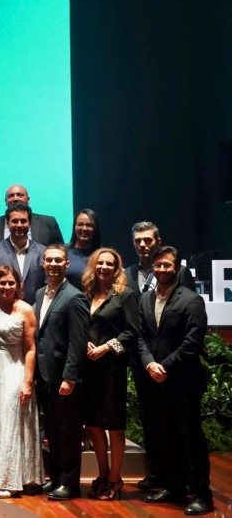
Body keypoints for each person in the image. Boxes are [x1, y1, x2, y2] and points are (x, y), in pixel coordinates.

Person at [137, 246, 213, 515]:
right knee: (164, 436)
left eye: (167, 265)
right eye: (158, 265)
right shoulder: (145, 300)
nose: (161, 270)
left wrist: (165, 367)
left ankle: (203, 495)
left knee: (190, 439)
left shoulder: (191, 300)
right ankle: (175, 486)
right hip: (155, 380)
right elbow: (142, 337)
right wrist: (149, 364)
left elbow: (192, 343)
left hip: (183, 381)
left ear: (178, 267)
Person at [123, 221, 195, 491]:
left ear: (158, 241)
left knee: (176, 425)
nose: (143, 245)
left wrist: (166, 363)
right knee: (151, 422)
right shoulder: (126, 274)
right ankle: (157, 475)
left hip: (172, 366)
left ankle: (182, 480)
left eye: (148, 240)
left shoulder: (180, 272)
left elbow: (187, 315)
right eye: (138, 240)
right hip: (142, 360)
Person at [80, 248, 138, 501]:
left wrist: (106, 347)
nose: (104, 267)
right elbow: (81, 327)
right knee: (92, 424)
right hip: (88, 369)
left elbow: (132, 332)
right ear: (93, 266)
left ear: (117, 268)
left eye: (109, 264)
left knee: (113, 425)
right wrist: (84, 344)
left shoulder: (125, 296)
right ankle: (102, 474)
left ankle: (115, 478)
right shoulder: (86, 295)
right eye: (100, 263)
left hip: (112, 369)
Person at [34, 245, 89, 501]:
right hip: (44, 377)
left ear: (67, 265)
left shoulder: (75, 297)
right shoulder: (38, 295)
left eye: (58, 260)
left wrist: (70, 377)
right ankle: (55, 477)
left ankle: (70, 483)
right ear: (43, 264)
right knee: (53, 432)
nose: (53, 264)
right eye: (49, 260)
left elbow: (78, 342)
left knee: (68, 433)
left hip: (63, 378)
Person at [0, 265, 43, 498]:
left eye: (11, 283)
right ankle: (0, 475)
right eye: (2, 283)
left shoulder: (26, 309)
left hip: (15, 369)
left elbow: (31, 348)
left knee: (12, 422)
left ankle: (10, 481)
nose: (6, 287)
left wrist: (28, 381)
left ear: (18, 285)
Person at [0, 184, 64, 262]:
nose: (15, 198)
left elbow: (61, 252)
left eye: (20, 195)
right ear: (5, 201)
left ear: (28, 199)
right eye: (11, 196)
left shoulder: (48, 223)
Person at [0, 202, 47, 304]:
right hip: (4, 314)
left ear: (30, 223)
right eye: (15, 221)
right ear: (7, 223)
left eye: (23, 221)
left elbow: (48, 285)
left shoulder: (43, 251)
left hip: (36, 313)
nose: (19, 225)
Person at [65, 209, 102, 290]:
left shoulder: (102, 255)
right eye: (80, 224)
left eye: (89, 225)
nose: (84, 228)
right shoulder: (63, 252)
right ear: (74, 227)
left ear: (95, 228)